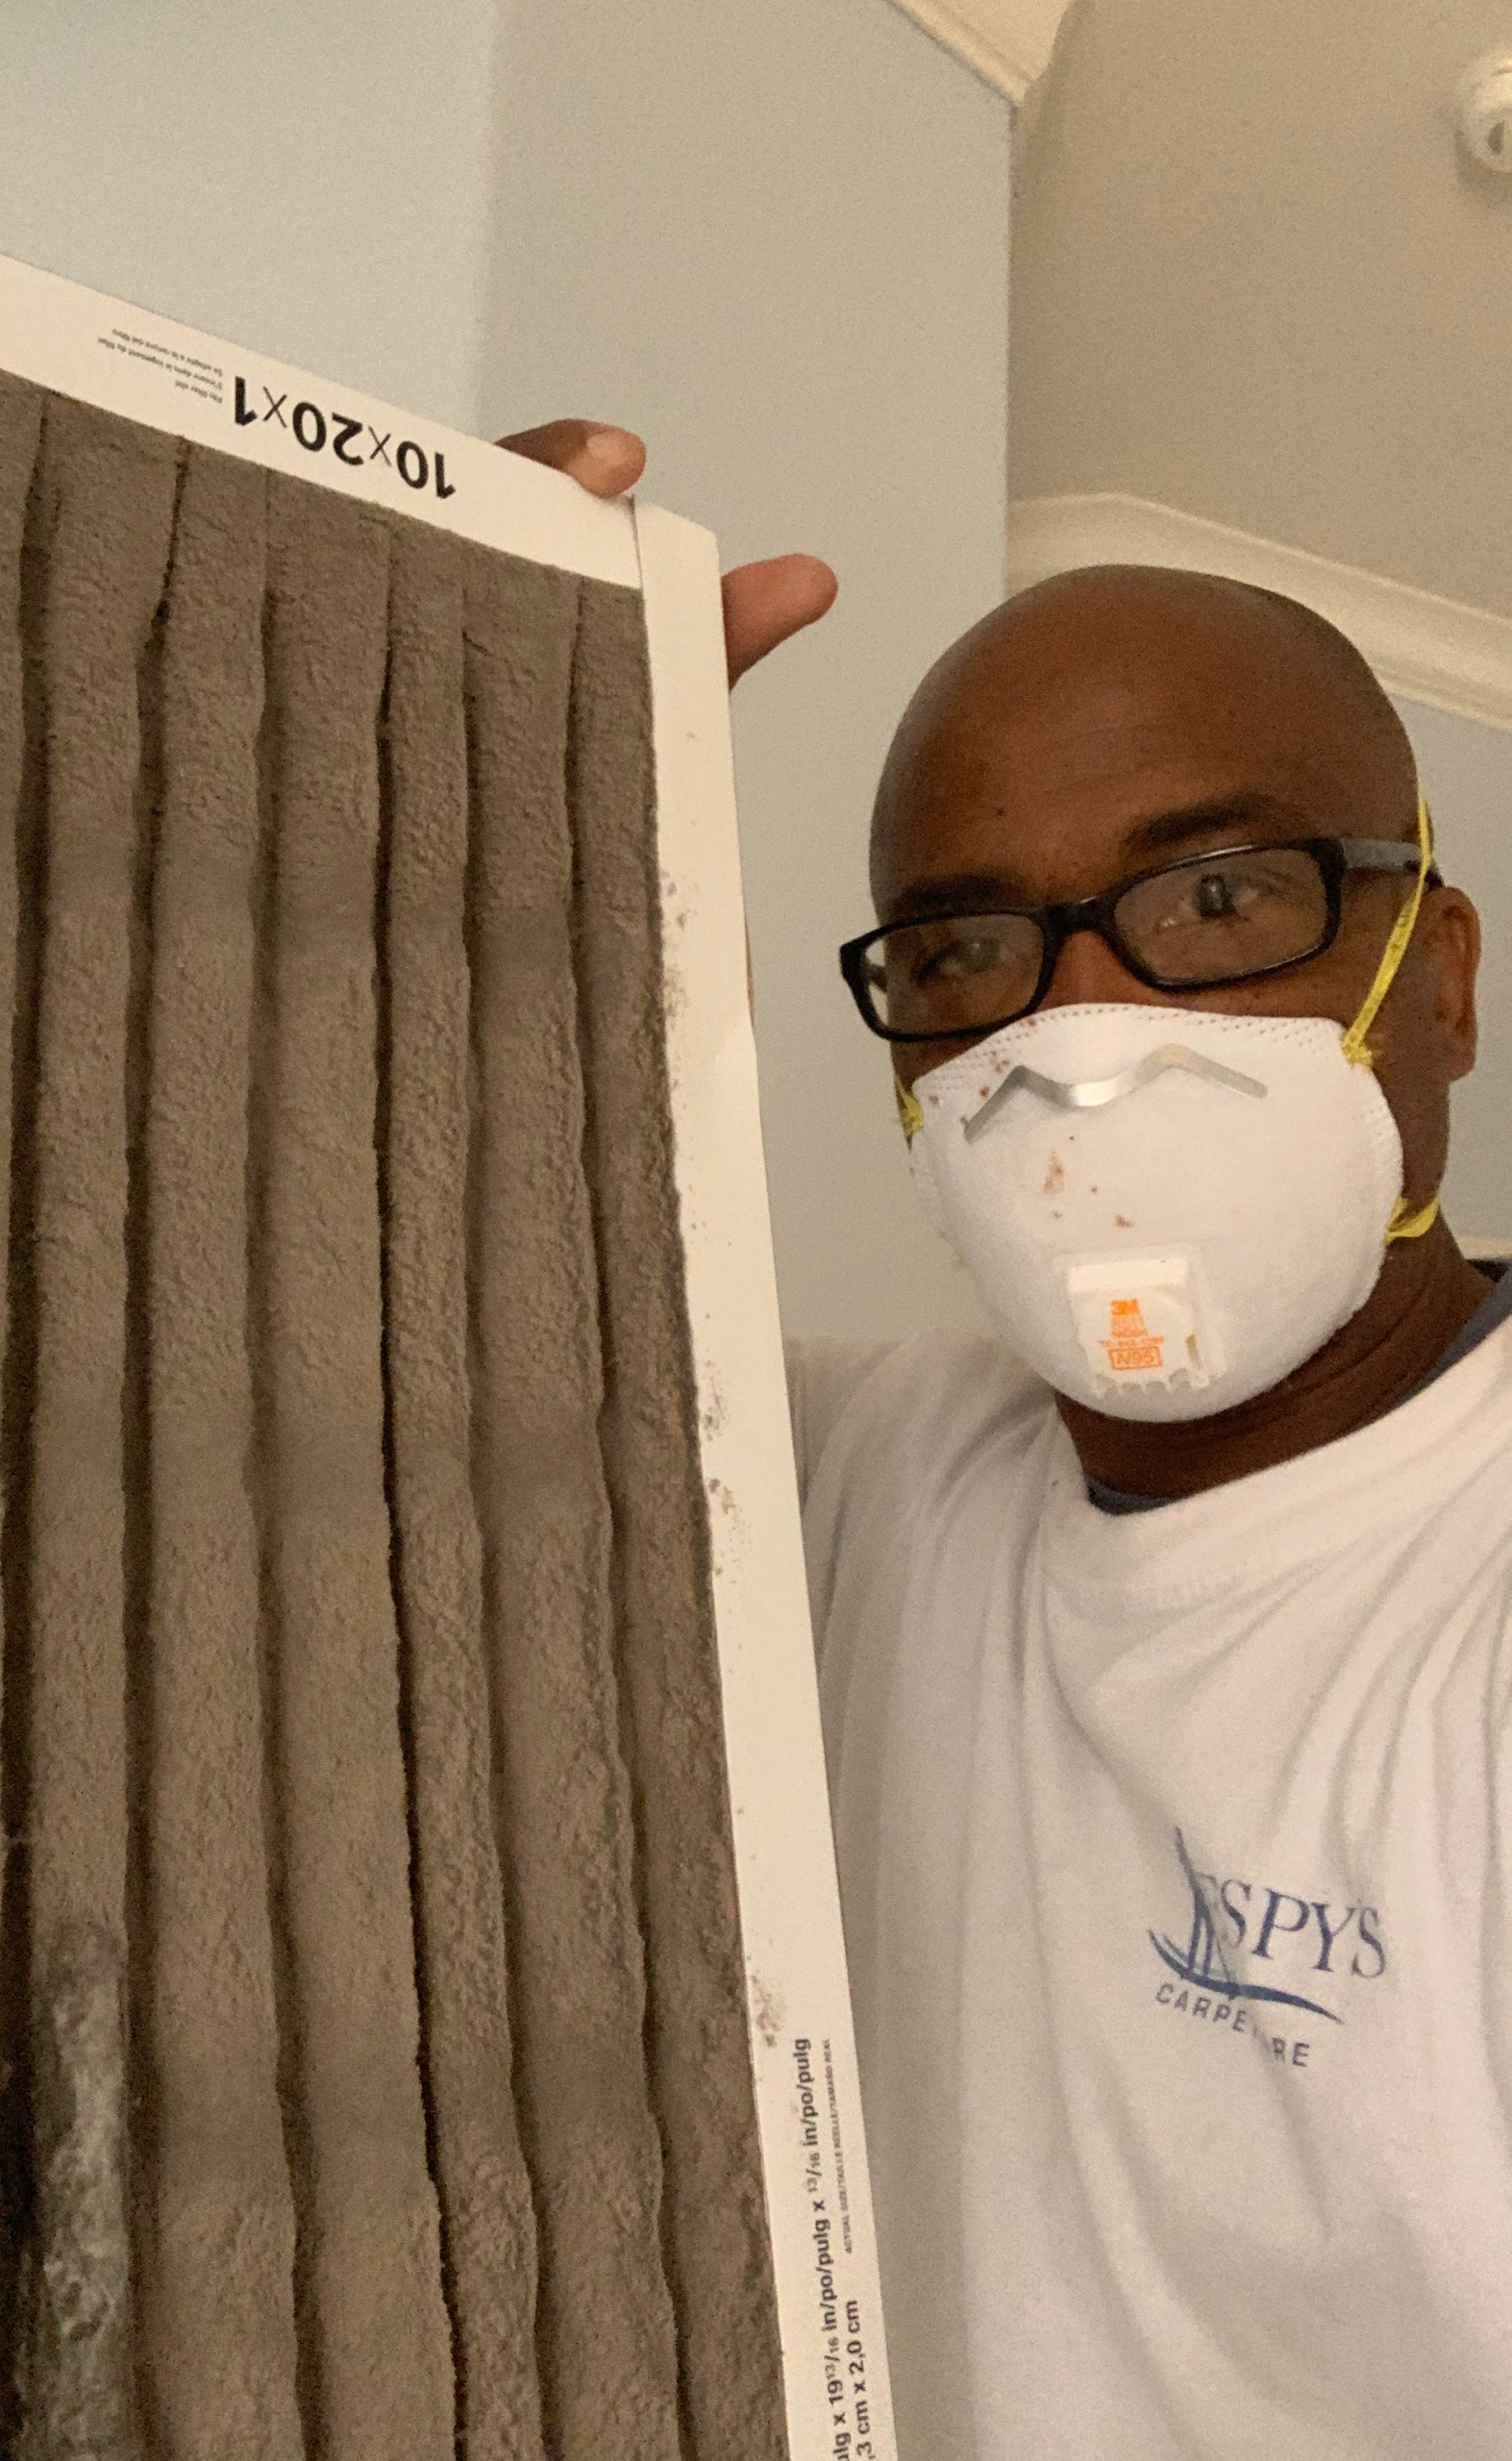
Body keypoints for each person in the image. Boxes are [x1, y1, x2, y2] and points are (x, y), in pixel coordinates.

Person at [506, 418, 1512, 2459]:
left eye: (1215, 896)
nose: (1077, 1039)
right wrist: (428, 743)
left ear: (1439, 980)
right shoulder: (848, 1481)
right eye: (966, 950)